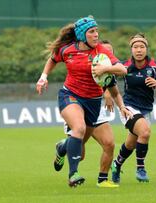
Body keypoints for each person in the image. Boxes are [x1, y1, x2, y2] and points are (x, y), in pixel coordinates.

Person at [36, 16, 129, 187]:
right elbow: (53, 59)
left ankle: (62, 148)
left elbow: (122, 69)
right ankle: (73, 175)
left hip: (93, 102)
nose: (96, 35)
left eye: (96, 31)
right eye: (91, 32)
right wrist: (43, 77)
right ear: (81, 35)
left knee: (79, 145)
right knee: (78, 128)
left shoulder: (101, 51)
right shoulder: (67, 50)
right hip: (69, 95)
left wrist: (106, 68)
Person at [53, 40, 129, 188]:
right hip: (77, 107)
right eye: (105, 52)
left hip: (96, 110)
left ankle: (102, 179)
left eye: (110, 53)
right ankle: (62, 147)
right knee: (80, 155)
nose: (108, 55)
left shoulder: (108, 72)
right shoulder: (85, 65)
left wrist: (122, 107)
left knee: (109, 143)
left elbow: (115, 92)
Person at [110, 33, 156, 184]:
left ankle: (116, 164)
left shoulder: (155, 66)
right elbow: (108, 79)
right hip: (128, 107)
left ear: (146, 49)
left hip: (146, 109)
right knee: (145, 131)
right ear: (131, 49)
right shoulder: (124, 66)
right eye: (135, 47)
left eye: (142, 46)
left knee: (131, 143)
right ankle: (141, 168)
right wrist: (106, 94)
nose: (139, 50)